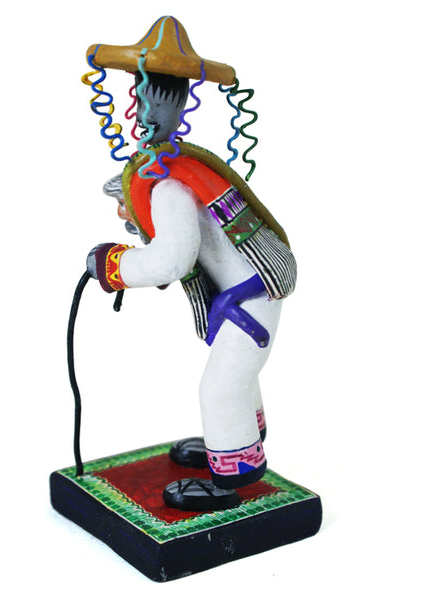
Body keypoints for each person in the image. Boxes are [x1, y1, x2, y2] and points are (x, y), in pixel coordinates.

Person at [84, 17, 296, 511]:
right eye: (143, 97)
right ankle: (237, 441)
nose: (146, 111)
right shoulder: (176, 171)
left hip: (253, 295)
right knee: (235, 373)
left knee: (220, 388)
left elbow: (172, 261)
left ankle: (231, 480)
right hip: (245, 292)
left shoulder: (169, 185)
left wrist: (114, 266)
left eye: (157, 99)